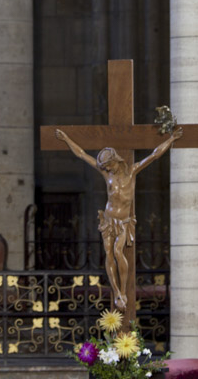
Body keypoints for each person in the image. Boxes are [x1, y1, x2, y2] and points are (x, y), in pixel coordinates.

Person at [54, 125, 183, 311]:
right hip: (108, 220)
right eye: (105, 167)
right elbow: (82, 154)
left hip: (123, 221)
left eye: (108, 165)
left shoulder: (132, 171)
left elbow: (154, 155)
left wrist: (171, 139)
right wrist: (66, 139)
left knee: (117, 251)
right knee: (108, 253)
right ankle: (116, 292)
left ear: (115, 161)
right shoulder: (107, 175)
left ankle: (123, 290)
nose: (107, 168)